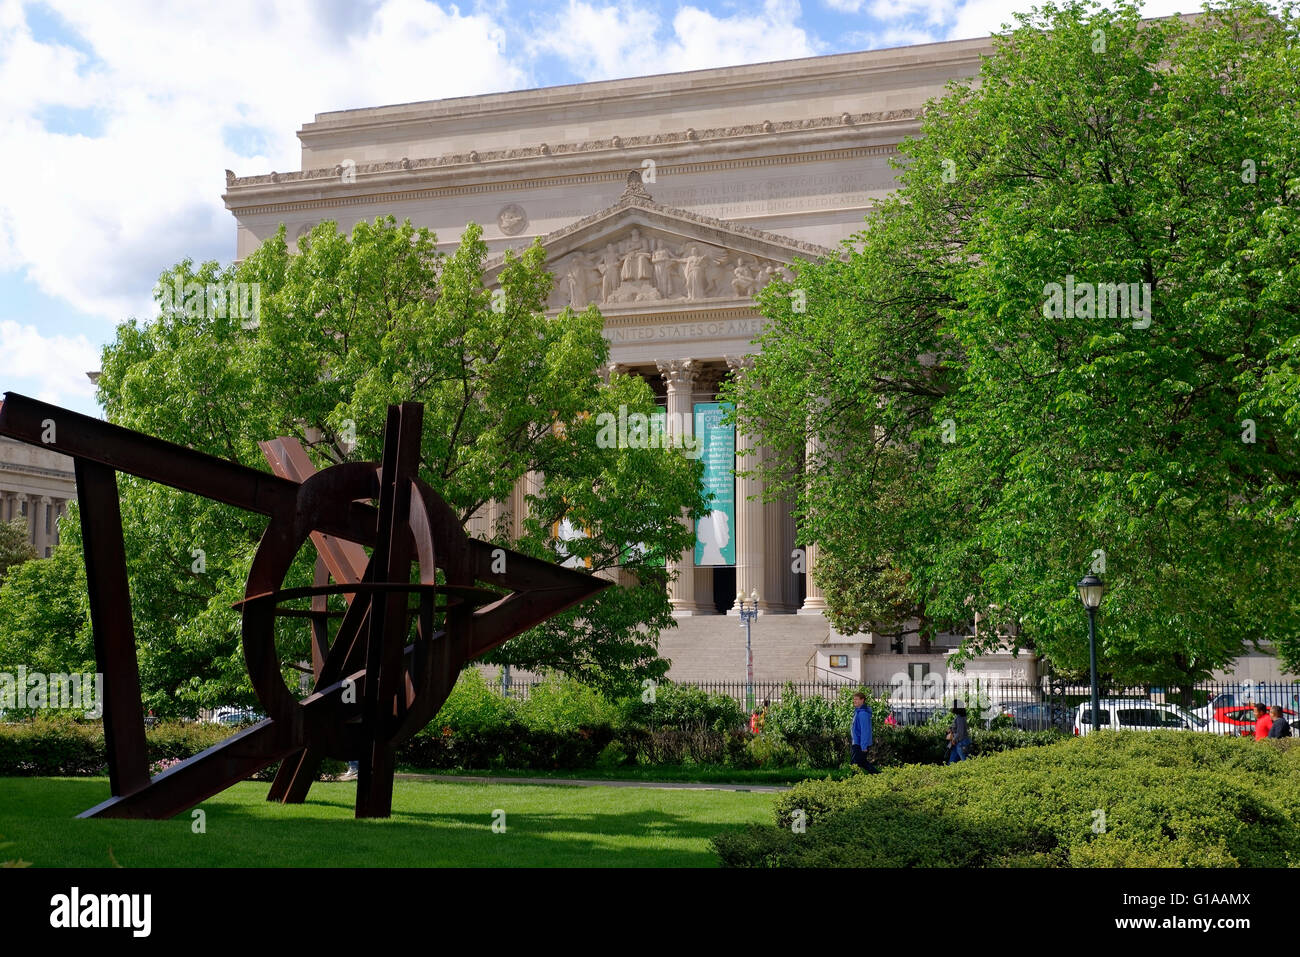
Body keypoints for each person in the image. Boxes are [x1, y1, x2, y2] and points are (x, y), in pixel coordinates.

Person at [849, 692, 879, 773]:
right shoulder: (857, 712)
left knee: (855, 764)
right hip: (856, 742)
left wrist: (864, 746)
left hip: (859, 744)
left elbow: (865, 731)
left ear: (862, 700)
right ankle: (879, 775)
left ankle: (853, 782)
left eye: (856, 699)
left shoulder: (863, 714)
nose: (854, 701)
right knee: (861, 763)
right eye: (854, 699)